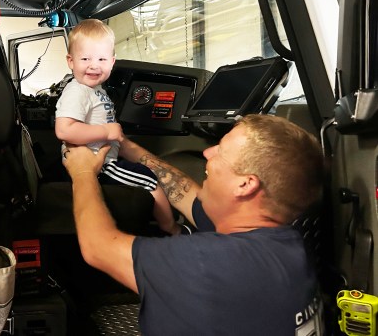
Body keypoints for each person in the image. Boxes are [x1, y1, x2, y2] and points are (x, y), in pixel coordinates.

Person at [62, 113, 325, 335]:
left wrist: (83, 172)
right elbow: (187, 193)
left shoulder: (209, 262)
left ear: (245, 184)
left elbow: (98, 246)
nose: (207, 152)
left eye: (220, 151)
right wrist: (126, 147)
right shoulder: (288, 244)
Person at [54, 19, 181, 235]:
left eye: (102, 59)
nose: (94, 65)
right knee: (149, 179)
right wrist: (106, 131)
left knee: (147, 171)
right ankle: (171, 228)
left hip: (106, 158)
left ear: (112, 62)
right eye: (85, 59)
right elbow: (64, 130)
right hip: (99, 165)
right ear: (71, 61)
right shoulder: (77, 91)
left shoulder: (96, 90)